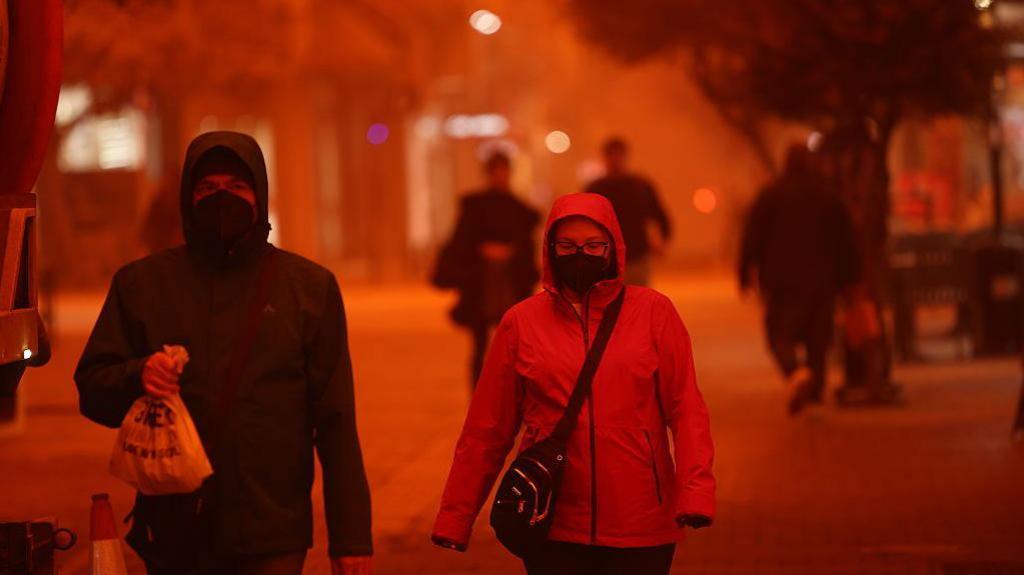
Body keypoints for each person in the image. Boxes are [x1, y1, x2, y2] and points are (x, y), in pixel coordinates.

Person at [75, 132, 373, 575]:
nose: (222, 198)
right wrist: (139, 375)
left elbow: (335, 422)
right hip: (174, 530)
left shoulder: (307, 289)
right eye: (207, 188)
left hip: (272, 528)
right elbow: (93, 390)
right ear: (187, 199)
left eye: (236, 187)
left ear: (260, 196)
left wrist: (351, 539)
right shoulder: (142, 285)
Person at [432, 193, 715, 575]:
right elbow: (487, 429)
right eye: (567, 246)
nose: (580, 254)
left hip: (642, 524)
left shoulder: (654, 313)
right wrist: (456, 516)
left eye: (593, 245)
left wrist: (695, 492)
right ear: (550, 251)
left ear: (613, 247)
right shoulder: (521, 323)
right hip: (551, 524)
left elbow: (686, 409)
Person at [738, 143, 860, 415]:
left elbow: (752, 236)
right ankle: (814, 389)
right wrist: (851, 277)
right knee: (819, 336)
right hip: (823, 279)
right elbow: (846, 240)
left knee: (779, 333)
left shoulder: (771, 195)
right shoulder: (829, 196)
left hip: (782, 280)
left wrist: (745, 272)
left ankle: (795, 373)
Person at [432, 151, 541, 387]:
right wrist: (484, 251)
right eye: (496, 171)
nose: (500, 176)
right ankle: (478, 394)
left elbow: (526, 247)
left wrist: (510, 252)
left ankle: (512, 395)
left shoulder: (520, 210)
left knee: (514, 343)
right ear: (489, 174)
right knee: (480, 344)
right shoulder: (475, 208)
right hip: (480, 285)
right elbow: (461, 242)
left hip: (511, 284)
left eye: (504, 171)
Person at [585, 137, 671, 286]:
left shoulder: (640, 186)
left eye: (618, 155)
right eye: (611, 155)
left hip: (637, 255)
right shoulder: (595, 188)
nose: (615, 159)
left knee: (637, 302)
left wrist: (663, 240)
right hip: (606, 259)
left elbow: (660, 216)